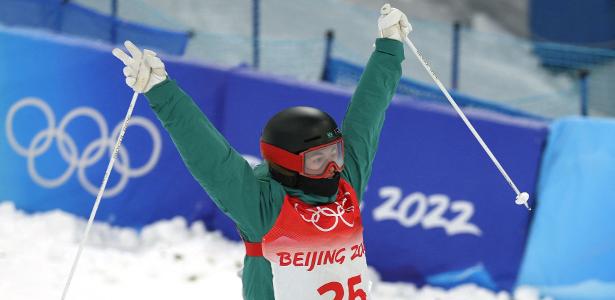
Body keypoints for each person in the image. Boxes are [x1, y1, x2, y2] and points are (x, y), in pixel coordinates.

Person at [112, 4, 410, 300]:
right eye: (318, 161)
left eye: (336, 154)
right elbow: (210, 157)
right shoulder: (263, 208)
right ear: (288, 165)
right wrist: (161, 91)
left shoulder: (347, 187)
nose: (334, 169)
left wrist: (389, 49)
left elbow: (367, 116)